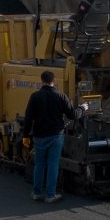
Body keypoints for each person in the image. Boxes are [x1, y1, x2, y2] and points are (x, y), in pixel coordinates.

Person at [23, 69, 76, 203]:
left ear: (42, 81)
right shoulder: (60, 96)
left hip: (39, 136)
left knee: (39, 164)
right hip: (56, 136)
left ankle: (36, 193)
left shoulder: (35, 96)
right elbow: (72, 115)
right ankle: (51, 195)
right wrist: (82, 108)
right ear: (54, 81)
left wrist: (26, 136)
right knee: (53, 165)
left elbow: (28, 118)